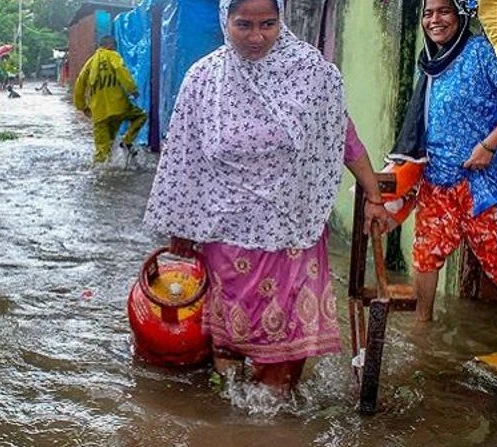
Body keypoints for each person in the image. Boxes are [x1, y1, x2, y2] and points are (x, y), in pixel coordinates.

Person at [143, 0, 389, 395]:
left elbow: (340, 134)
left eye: (268, 24)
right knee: (227, 366)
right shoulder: (204, 79)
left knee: (279, 378)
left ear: (281, 21)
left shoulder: (310, 72)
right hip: (225, 237)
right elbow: (182, 160)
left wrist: (374, 196)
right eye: (244, 24)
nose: (256, 36)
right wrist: (181, 232)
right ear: (225, 19)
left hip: (294, 234)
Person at [387, 0, 497, 330]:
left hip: (483, 180)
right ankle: (422, 329)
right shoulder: (428, 63)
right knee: (426, 255)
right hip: (437, 178)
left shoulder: (482, 52)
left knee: (495, 259)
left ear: (459, 14)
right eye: (427, 14)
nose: (434, 20)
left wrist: (488, 145)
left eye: (443, 11)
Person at [74, 36, 147, 164]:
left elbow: (79, 84)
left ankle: (101, 175)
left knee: (102, 149)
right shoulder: (113, 55)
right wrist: (132, 89)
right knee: (141, 116)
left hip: (99, 113)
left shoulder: (90, 63)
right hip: (120, 107)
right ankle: (127, 141)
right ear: (111, 45)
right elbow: (120, 69)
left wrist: (82, 107)